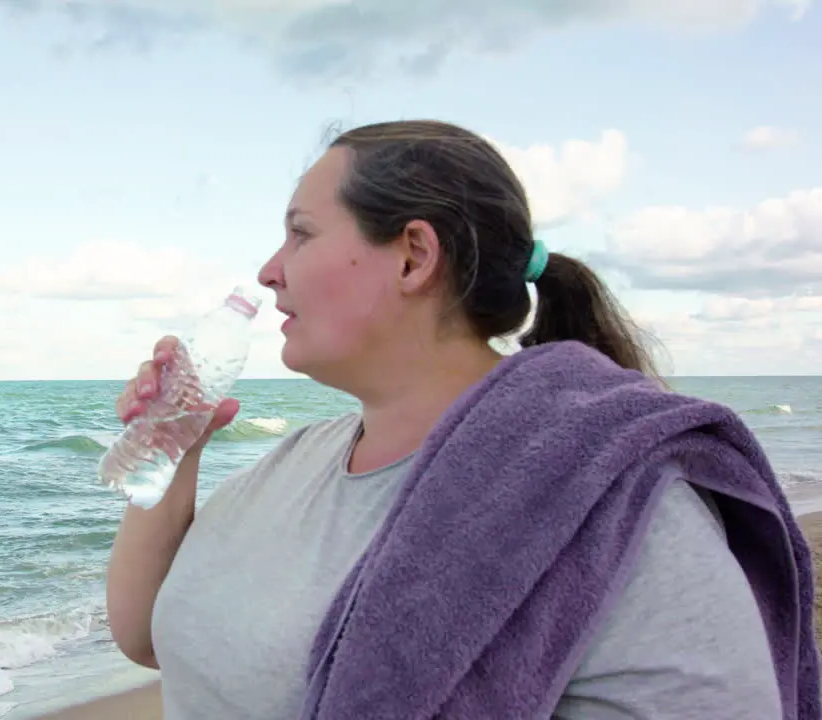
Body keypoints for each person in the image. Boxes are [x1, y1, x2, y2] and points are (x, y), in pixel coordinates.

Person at [105, 120, 813, 719]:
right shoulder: (298, 461)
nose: (269, 270)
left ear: (414, 256)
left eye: (301, 234)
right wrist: (177, 447)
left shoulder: (607, 507)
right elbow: (148, 636)